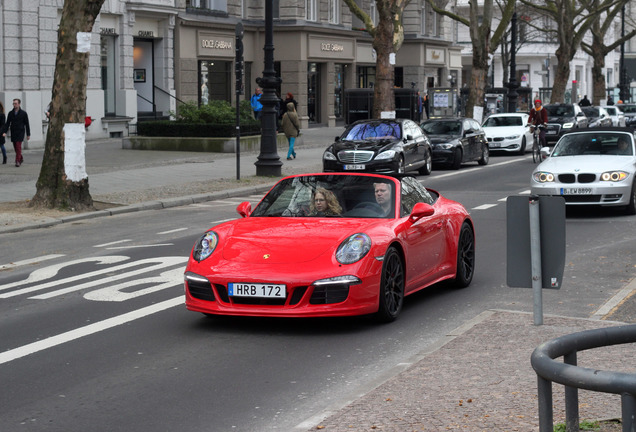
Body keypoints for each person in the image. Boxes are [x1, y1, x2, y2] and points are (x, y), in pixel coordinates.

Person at [2, 98, 30, 167]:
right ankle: (21, 158)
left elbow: (27, 124)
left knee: (18, 146)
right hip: (13, 132)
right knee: (15, 147)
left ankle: (17, 161)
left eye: (16, 103)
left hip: (20, 132)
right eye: (13, 103)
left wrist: (28, 134)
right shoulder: (10, 113)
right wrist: (4, 132)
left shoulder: (23, 113)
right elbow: (7, 123)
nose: (14, 105)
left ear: (19, 104)